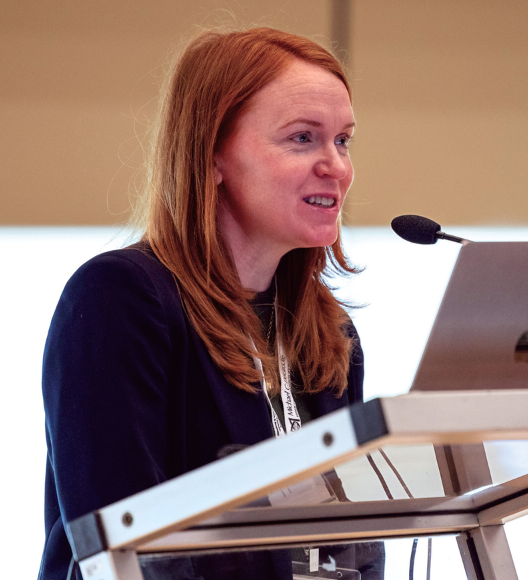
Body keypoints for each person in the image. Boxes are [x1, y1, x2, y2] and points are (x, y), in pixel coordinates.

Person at [38, 28, 382, 579]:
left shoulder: (327, 331)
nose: (335, 166)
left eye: (343, 140)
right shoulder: (121, 299)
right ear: (213, 154)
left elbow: (355, 545)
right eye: (302, 138)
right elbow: (123, 545)